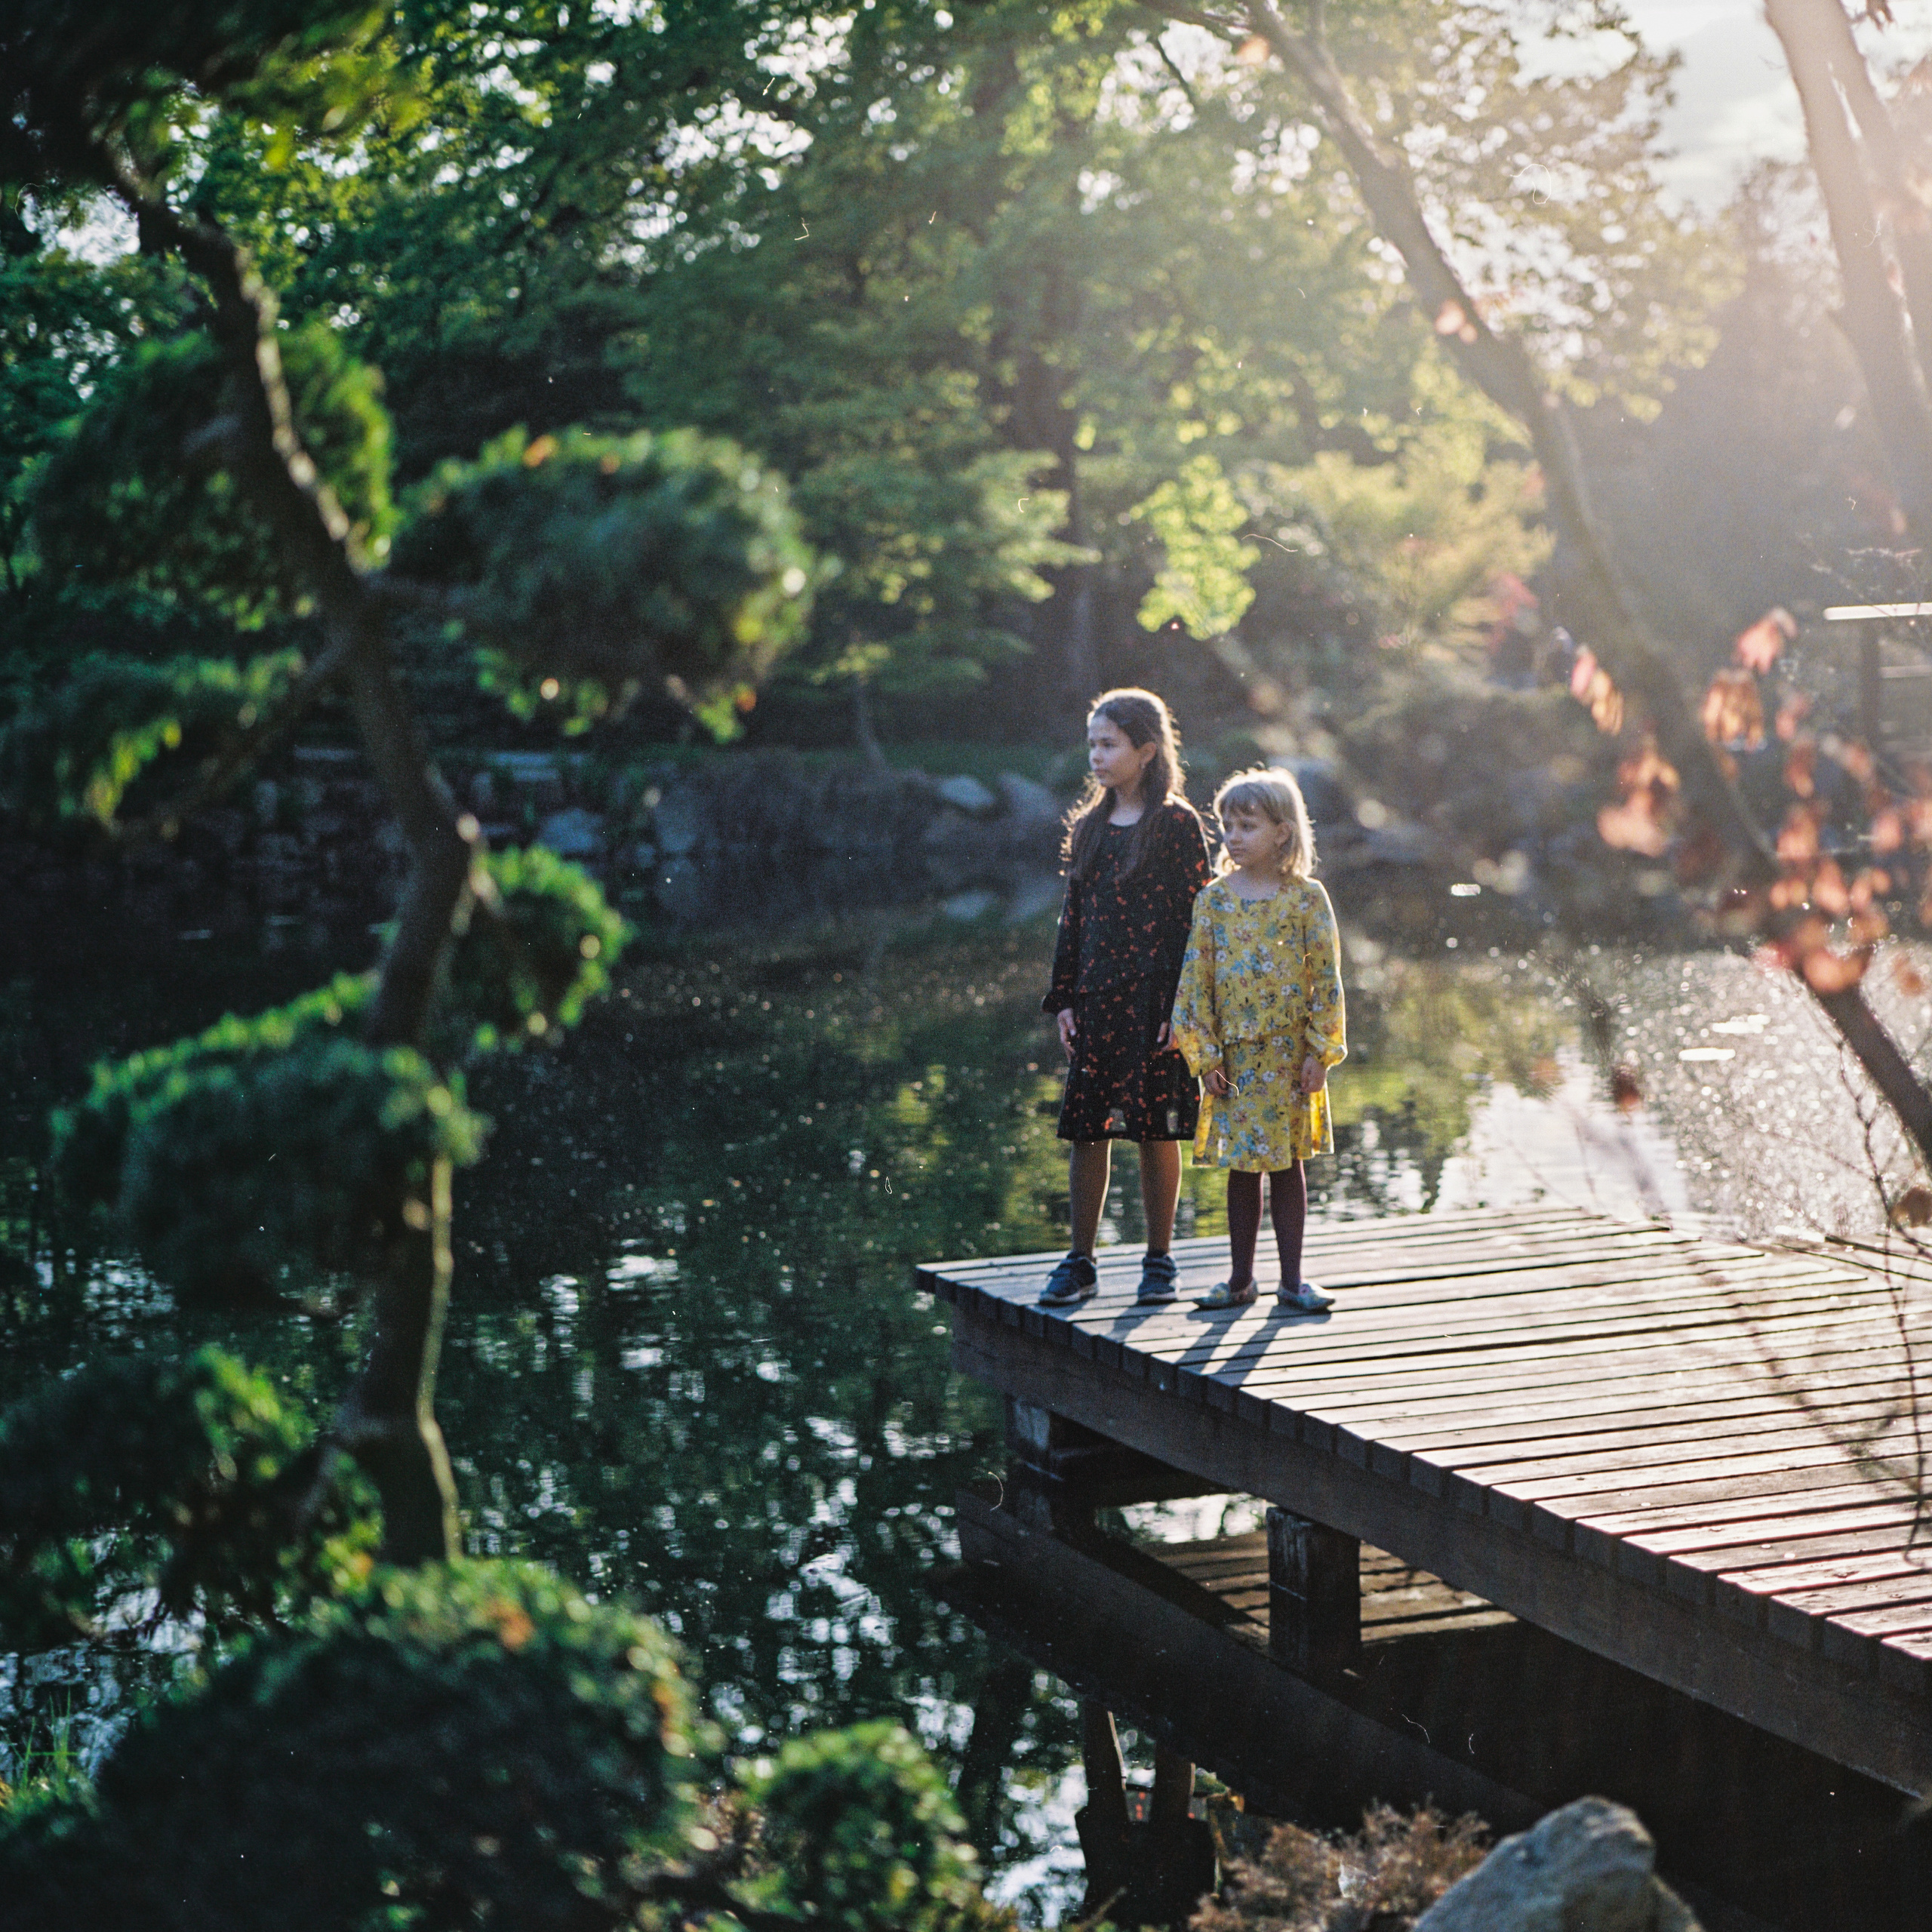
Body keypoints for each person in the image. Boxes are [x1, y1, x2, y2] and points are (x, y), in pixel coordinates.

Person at [1038, 689, 1213, 1309]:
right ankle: (1080, 1261)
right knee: (1088, 1128)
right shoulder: (1088, 828)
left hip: (1155, 1005)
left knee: (1154, 1129)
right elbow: (1073, 920)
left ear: (1146, 749)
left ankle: (1159, 1260)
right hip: (1096, 1000)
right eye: (1092, 744)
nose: (1097, 756)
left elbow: (1199, 923)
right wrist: (1063, 999)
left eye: (1108, 744)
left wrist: (1183, 1008)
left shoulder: (1176, 825)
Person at [1170, 767, 1346, 1313]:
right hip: (1235, 1060)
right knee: (1242, 1169)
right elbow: (1194, 984)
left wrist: (1321, 1052)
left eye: (1247, 825)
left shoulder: (1305, 899)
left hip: (1290, 1059)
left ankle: (1292, 1282)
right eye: (1227, 825)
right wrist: (1205, 1057)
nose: (1234, 836)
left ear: (1283, 833)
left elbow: (1327, 980)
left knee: (1288, 1163)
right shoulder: (1213, 902)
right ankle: (1240, 1279)